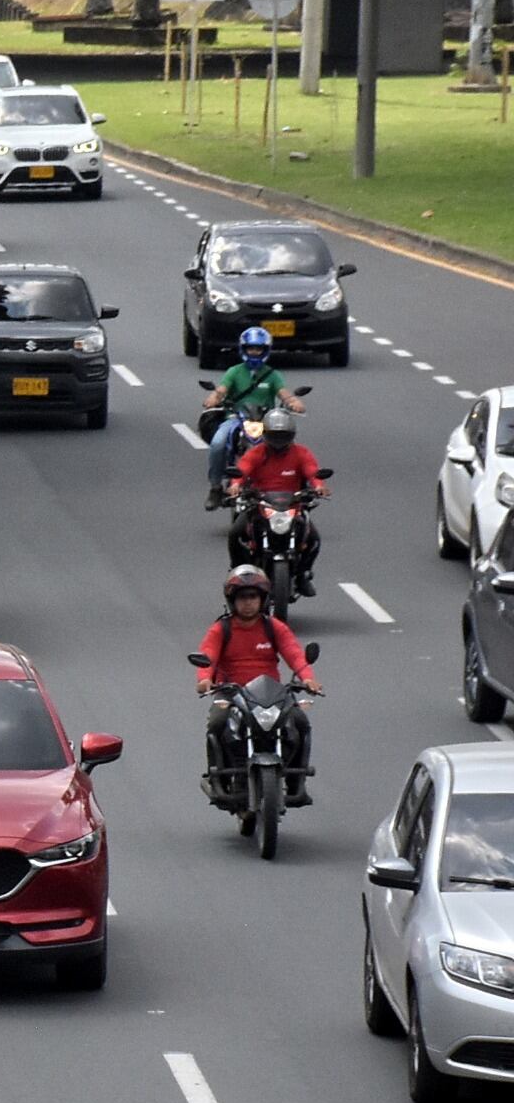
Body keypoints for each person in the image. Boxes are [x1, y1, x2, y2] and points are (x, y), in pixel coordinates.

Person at [197, 565, 323, 805]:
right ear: (232, 600)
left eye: (253, 597)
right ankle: (218, 779)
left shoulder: (274, 627)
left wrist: (308, 678)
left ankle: (297, 782)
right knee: (217, 723)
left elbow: (295, 654)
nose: (248, 603)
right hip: (231, 692)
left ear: (263, 599)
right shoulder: (220, 629)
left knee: (300, 723)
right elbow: (208, 656)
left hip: (271, 694)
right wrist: (204, 680)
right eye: (242, 597)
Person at [228, 408, 328, 594]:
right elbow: (243, 470)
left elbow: (312, 471)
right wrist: (235, 485)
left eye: (283, 435)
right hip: (260, 505)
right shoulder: (256, 453)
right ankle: (238, 569)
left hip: (292, 506)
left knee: (313, 539)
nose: (279, 440)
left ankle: (302, 575)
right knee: (236, 534)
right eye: (275, 435)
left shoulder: (301, 453)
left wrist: (318, 486)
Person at [203, 329, 307, 507]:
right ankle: (215, 487)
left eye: (258, 349)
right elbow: (222, 390)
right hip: (236, 419)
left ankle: (300, 488)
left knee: (289, 445)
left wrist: (293, 402)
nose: (254, 352)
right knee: (218, 443)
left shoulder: (272, 375)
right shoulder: (234, 372)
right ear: (243, 349)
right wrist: (214, 398)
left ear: (265, 350)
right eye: (250, 348)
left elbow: (284, 394)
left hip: (265, 421)